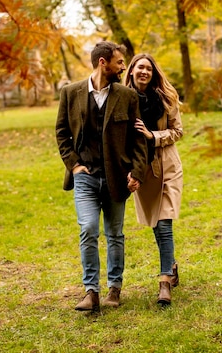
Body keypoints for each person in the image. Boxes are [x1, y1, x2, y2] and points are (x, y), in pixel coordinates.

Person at [56, 41, 148, 312]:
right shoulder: (70, 93)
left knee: (115, 234)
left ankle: (114, 288)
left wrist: (137, 171)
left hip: (117, 177)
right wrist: (73, 165)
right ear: (102, 62)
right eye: (120, 62)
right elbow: (62, 132)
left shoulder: (127, 96)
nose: (124, 67)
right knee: (88, 230)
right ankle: (90, 291)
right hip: (85, 175)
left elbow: (138, 139)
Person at [123, 53, 183, 306]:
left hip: (167, 166)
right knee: (157, 225)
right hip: (143, 169)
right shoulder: (123, 99)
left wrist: (152, 135)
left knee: (164, 224)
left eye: (148, 68)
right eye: (140, 68)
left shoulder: (167, 98)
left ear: (153, 72)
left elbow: (178, 131)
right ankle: (171, 266)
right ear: (132, 71)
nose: (144, 72)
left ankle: (164, 282)